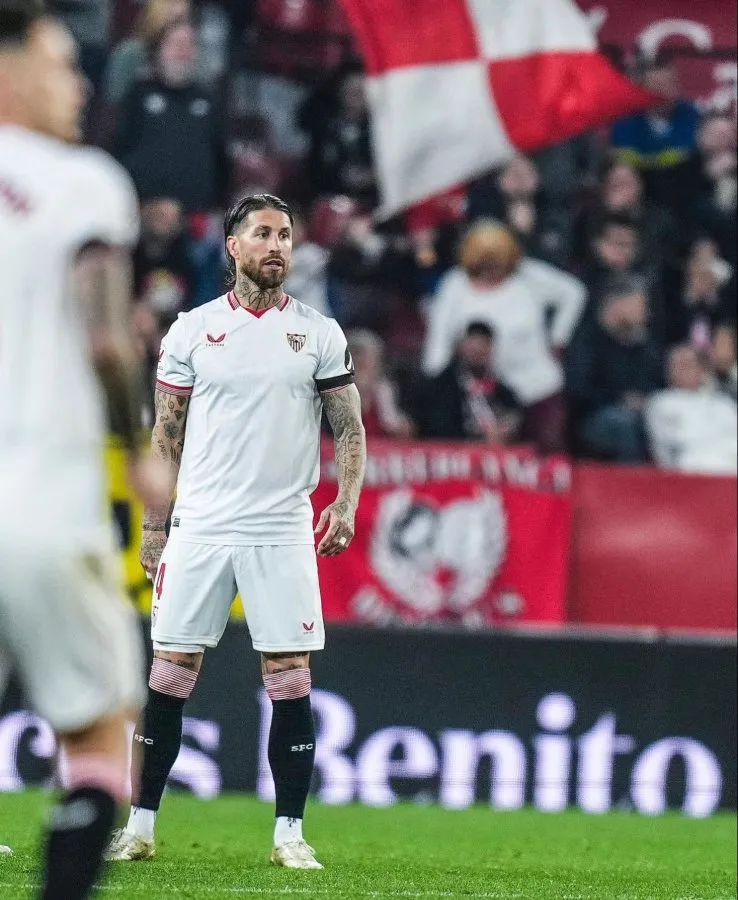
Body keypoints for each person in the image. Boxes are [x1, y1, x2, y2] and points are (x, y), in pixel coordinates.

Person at [105, 193, 367, 869]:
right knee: (169, 674)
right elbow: (165, 434)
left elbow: (348, 425)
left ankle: (289, 834)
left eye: (285, 233)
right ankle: (139, 826)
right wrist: (155, 525)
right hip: (202, 523)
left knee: (289, 677)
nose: (277, 245)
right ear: (233, 245)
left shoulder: (318, 332)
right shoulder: (192, 330)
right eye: (263, 234)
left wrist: (346, 501)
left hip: (281, 527)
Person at [0, 2, 169, 897]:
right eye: (61, 65)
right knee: (103, 729)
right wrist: (138, 447)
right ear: (11, 66)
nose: (77, 87)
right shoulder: (84, 182)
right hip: (40, 493)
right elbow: (106, 337)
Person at [422, 220, 586, 454]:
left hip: (536, 388)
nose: (491, 268)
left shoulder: (529, 277)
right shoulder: (454, 285)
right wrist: (437, 388)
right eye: (484, 263)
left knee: (549, 457)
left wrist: (559, 338)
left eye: (497, 262)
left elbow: (574, 293)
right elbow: (438, 343)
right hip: (482, 396)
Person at [114, 16, 228, 213]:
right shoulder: (138, 94)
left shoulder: (209, 101)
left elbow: (223, 162)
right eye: (176, 44)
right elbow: (119, 149)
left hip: (195, 219)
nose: (183, 52)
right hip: (141, 212)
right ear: (159, 50)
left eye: (190, 45)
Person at [566, 277, 664, 462]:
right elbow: (579, 390)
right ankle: (633, 485)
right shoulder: (587, 342)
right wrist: (620, 399)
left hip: (643, 412)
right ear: (618, 305)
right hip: (593, 417)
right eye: (640, 305)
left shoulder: (642, 346)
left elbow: (655, 382)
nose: (646, 312)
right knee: (623, 424)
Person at [418, 322, 522, 443]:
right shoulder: (439, 388)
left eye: (483, 350)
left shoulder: (501, 391)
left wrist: (506, 427)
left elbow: (514, 414)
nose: (477, 354)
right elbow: (439, 429)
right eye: (473, 350)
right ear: (461, 347)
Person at [645, 345, 737, 475]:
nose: (681, 370)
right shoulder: (660, 403)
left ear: (702, 370)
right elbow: (666, 448)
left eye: (687, 364)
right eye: (676, 366)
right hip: (689, 468)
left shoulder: (724, 404)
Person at [347, 329, 414, 438]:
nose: (359, 361)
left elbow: (399, 428)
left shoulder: (385, 390)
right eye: (355, 357)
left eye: (364, 358)